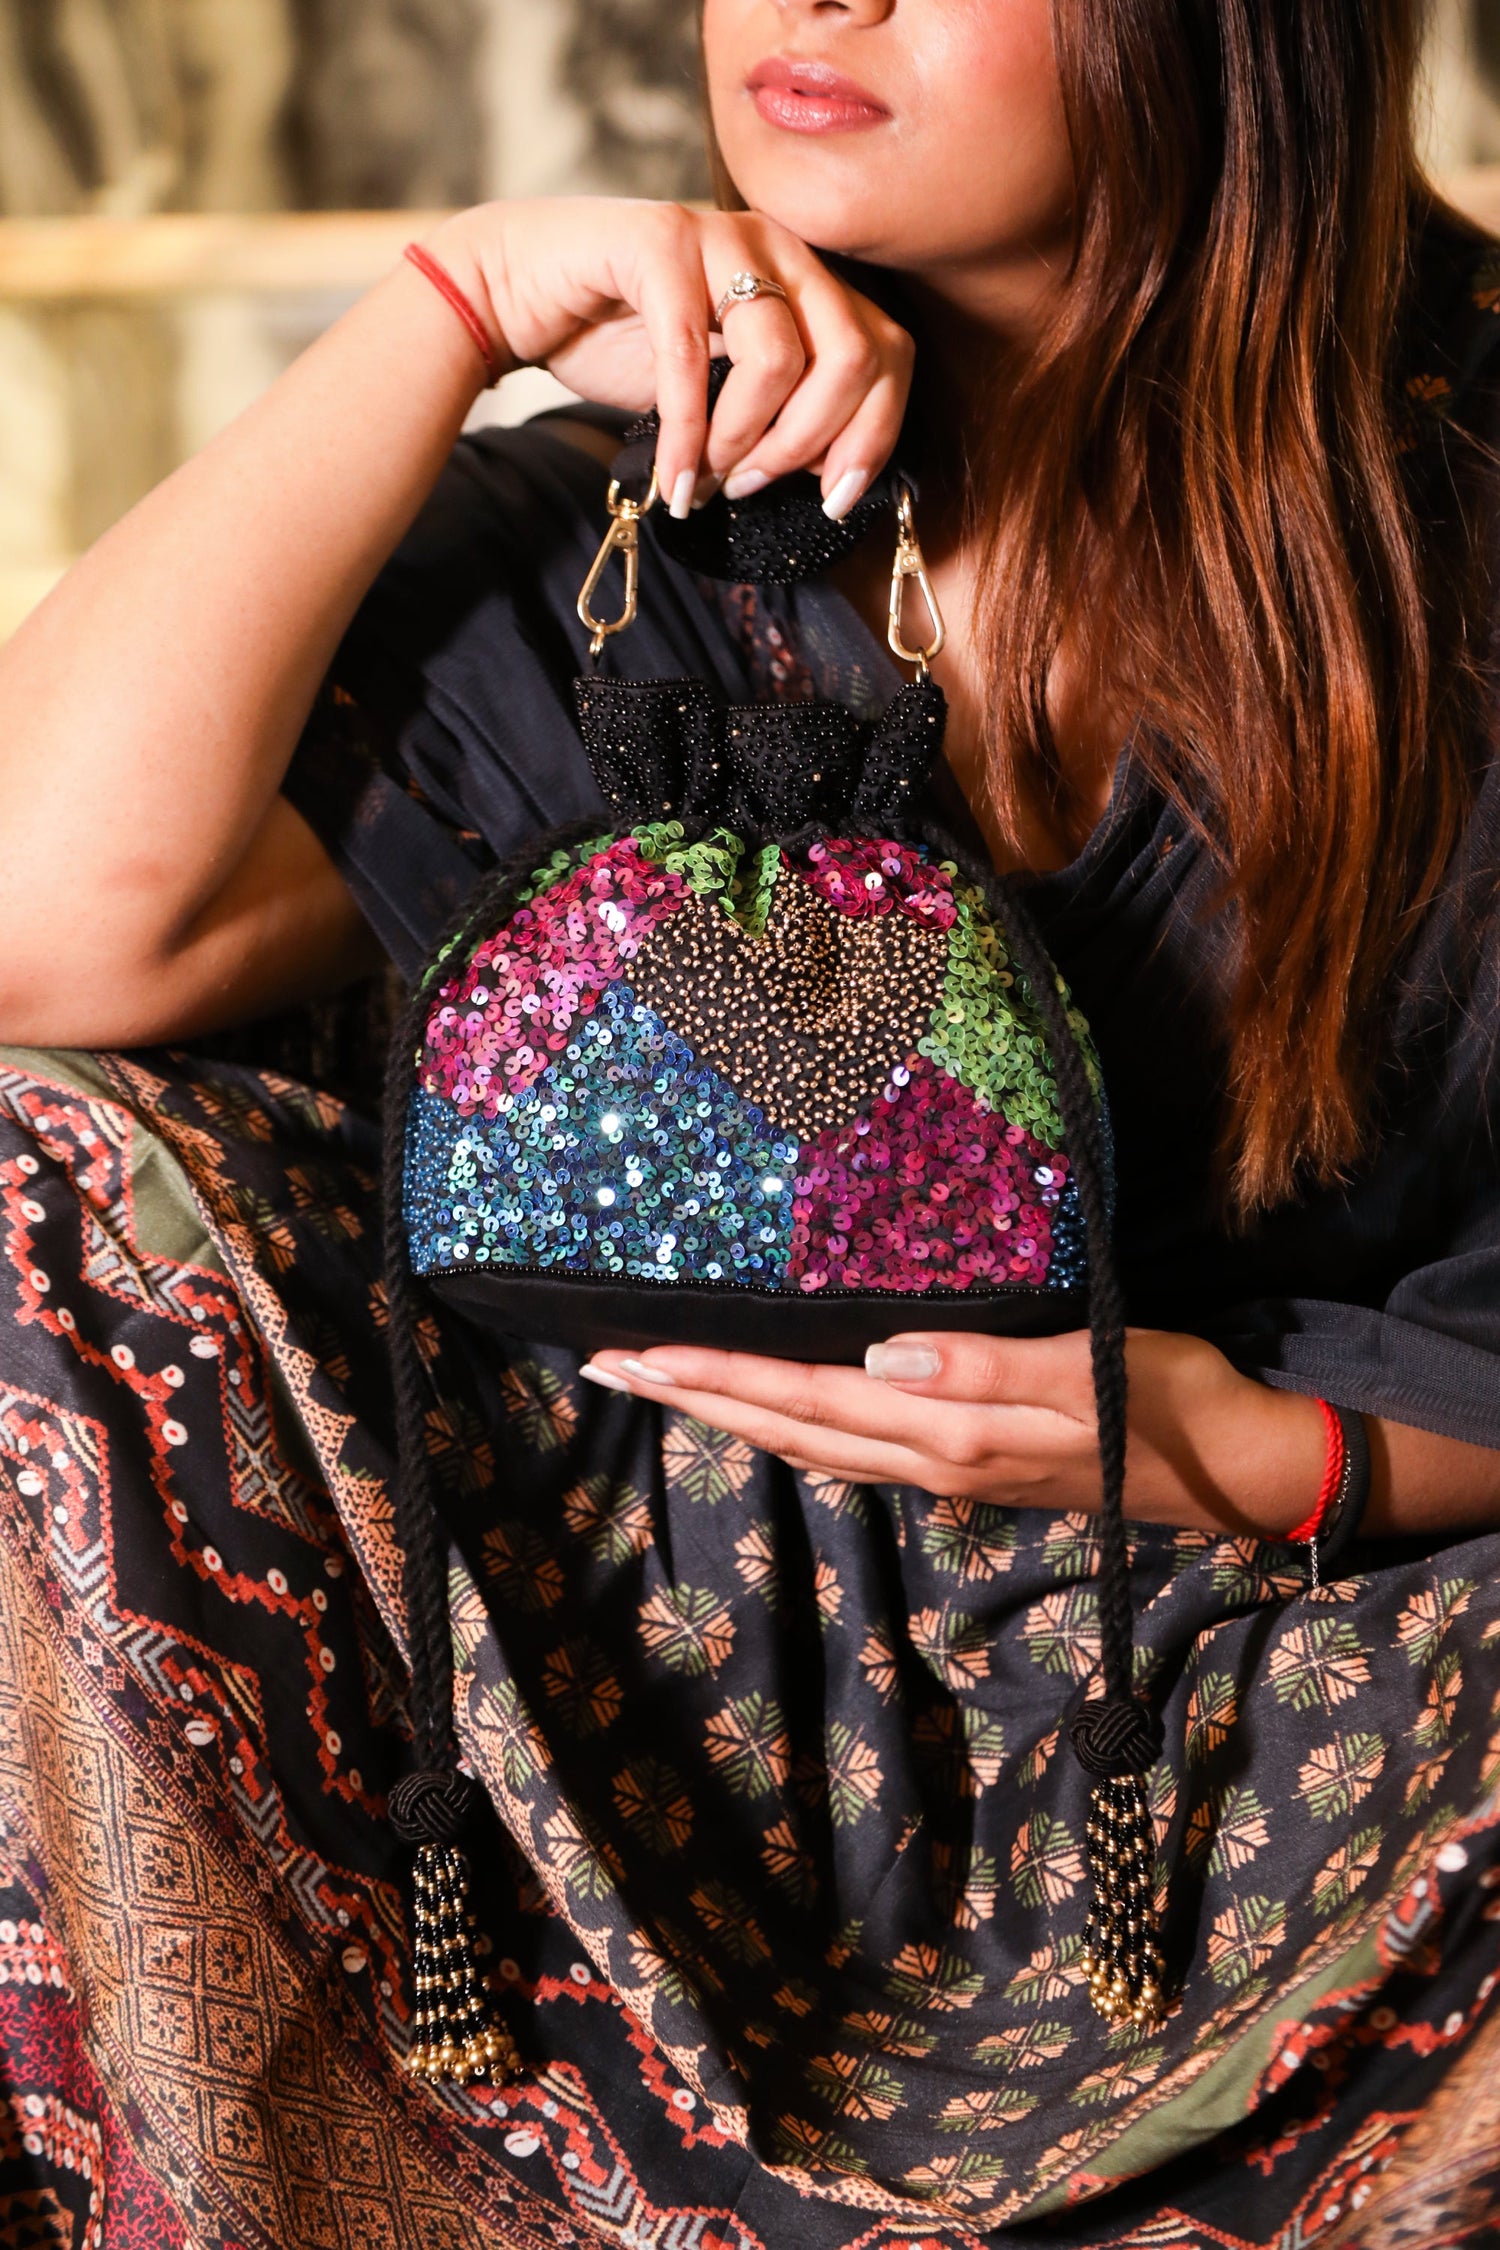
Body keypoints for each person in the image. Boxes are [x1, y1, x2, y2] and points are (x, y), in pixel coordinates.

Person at [2, 0, 1500, 2239]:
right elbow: (38, 941)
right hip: (615, 1702)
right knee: (37, 1178)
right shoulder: (654, 510)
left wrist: (1263, 1450)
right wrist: (452, 305)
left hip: (1281, 1675)